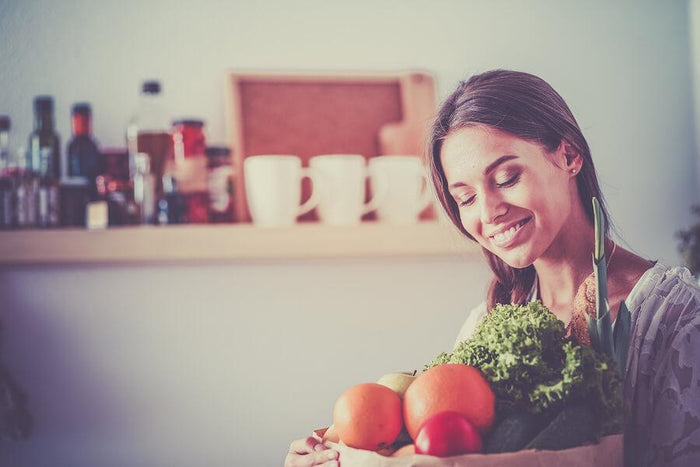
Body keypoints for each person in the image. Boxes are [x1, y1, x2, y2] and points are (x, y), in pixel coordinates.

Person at [285, 70, 700, 467]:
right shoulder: (487, 322)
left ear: (569, 155)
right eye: (465, 198)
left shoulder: (676, 319)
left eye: (505, 177)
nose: (489, 212)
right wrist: (329, 450)